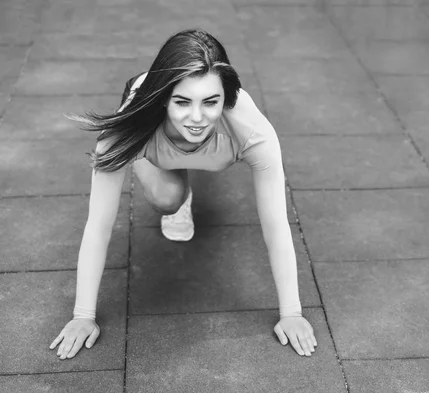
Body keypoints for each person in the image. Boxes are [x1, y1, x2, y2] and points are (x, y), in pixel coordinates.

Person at [49, 28, 317, 360]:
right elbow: (98, 226)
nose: (195, 117)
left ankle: (183, 154)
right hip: (151, 132)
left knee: (190, 155)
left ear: (226, 98)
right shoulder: (127, 131)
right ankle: (171, 178)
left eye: (211, 101)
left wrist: (291, 312)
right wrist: (82, 316)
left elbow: (277, 225)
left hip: (210, 141)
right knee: (167, 197)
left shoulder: (253, 133)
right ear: (164, 98)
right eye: (181, 102)